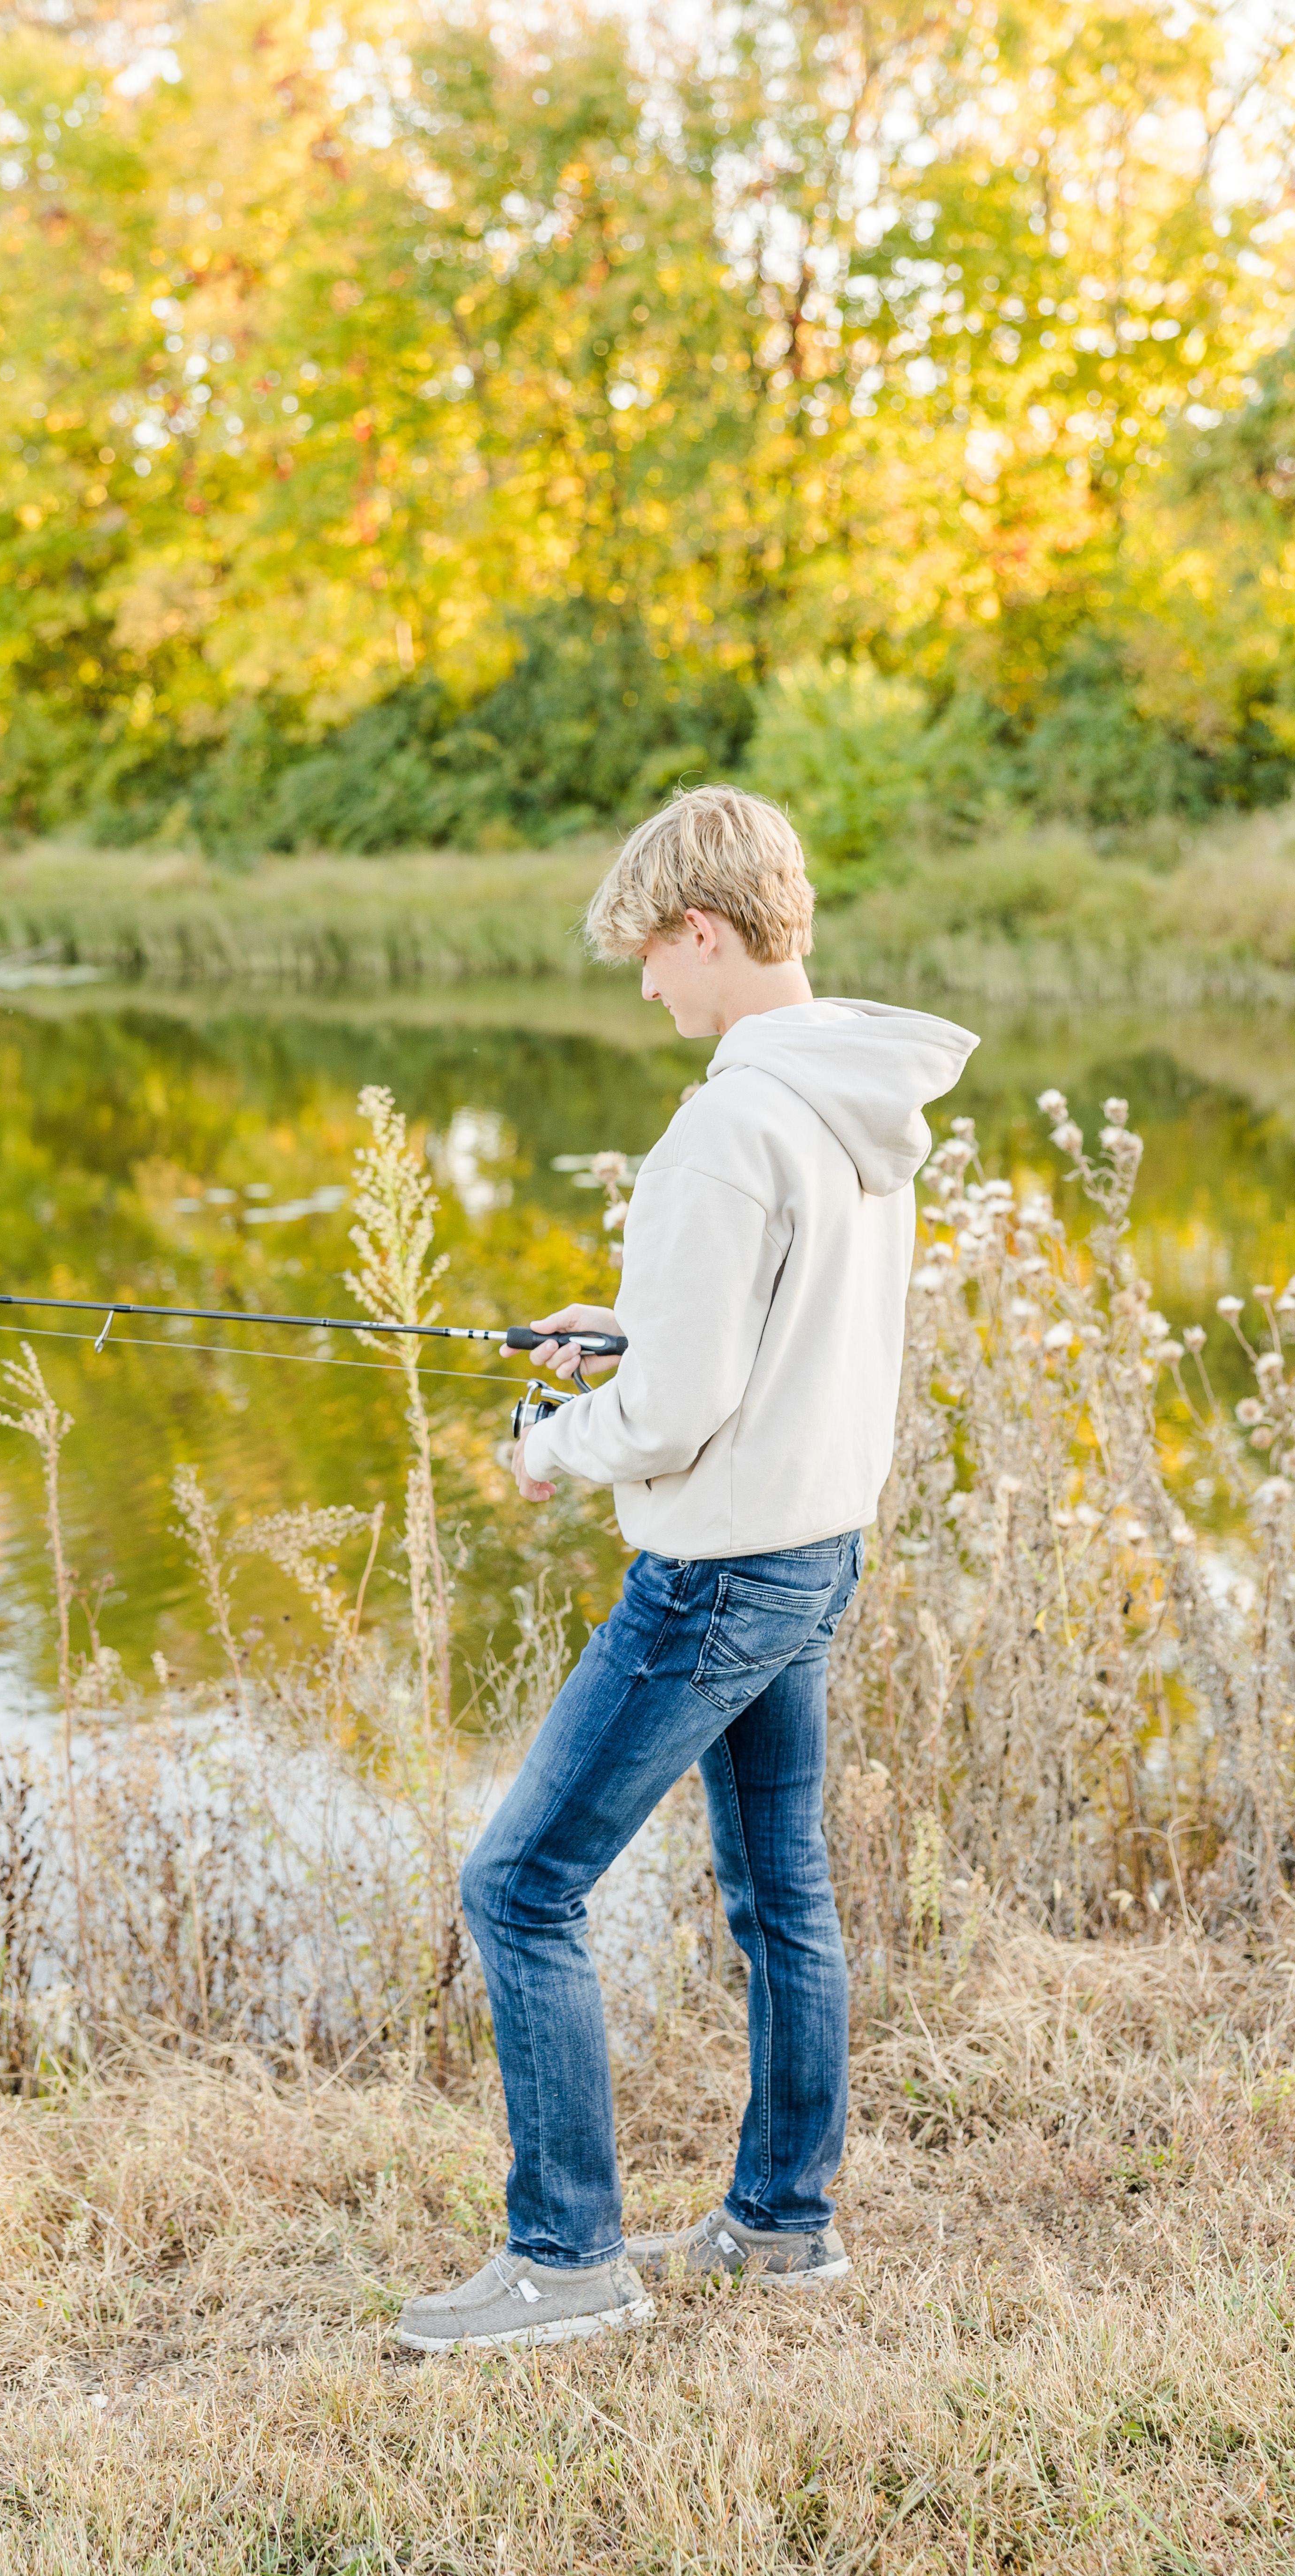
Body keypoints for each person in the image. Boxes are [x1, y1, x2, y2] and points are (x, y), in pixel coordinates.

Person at [397, 785, 977, 2354]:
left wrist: (550, 1439)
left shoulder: (728, 1123)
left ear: (704, 933)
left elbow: (680, 1410)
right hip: (811, 1550)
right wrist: (625, 1327)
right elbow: (769, 1336)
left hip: (717, 1574)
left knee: (518, 1889)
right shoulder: (854, 1102)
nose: (645, 986)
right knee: (784, 1900)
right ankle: (784, 2230)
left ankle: (566, 2261)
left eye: (649, 955)